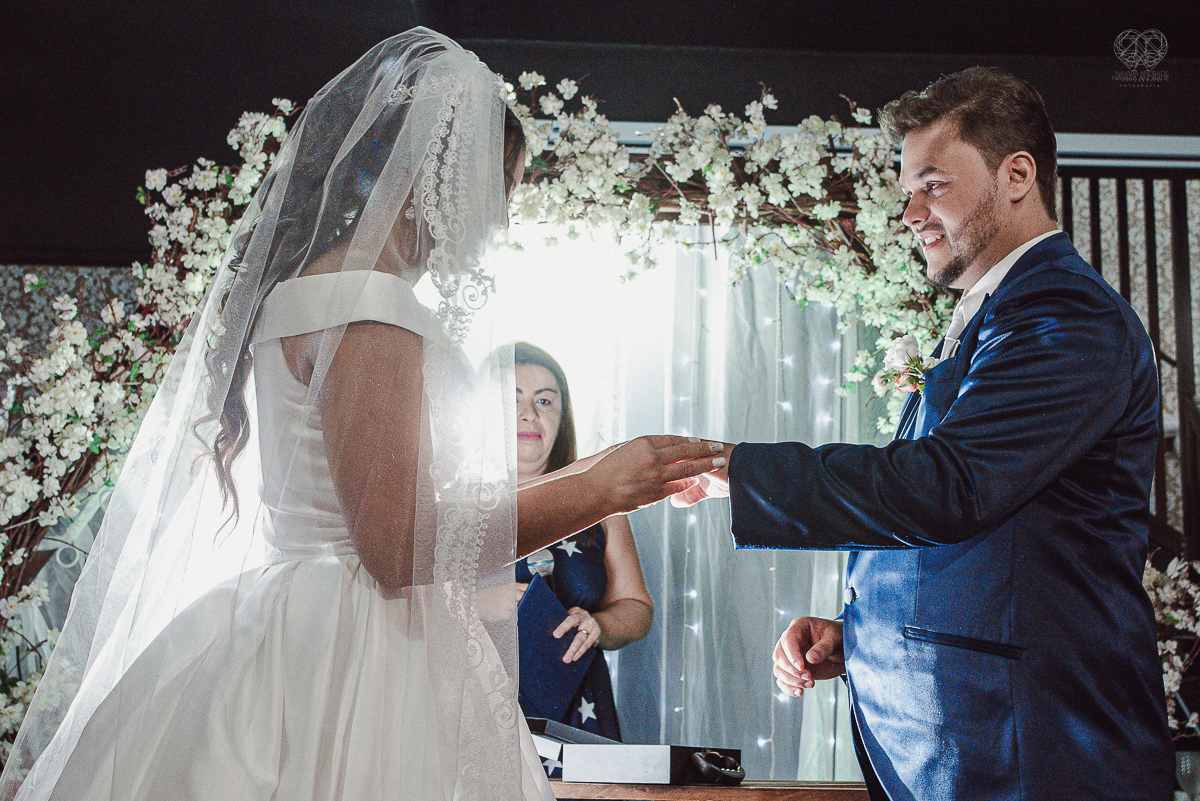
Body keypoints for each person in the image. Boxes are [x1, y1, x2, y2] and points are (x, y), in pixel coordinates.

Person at [0, 29, 724, 801]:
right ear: (441, 177)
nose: (502, 221)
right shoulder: (369, 302)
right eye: (502, 192)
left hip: (292, 623)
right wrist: (599, 491)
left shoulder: (312, 289)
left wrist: (605, 467)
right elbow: (393, 542)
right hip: (356, 647)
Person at [675, 67, 1174, 800]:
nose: (909, 212)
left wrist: (738, 467)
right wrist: (863, 634)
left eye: (932, 183)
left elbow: (950, 485)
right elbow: (1003, 544)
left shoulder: (1066, 315)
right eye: (907, 190)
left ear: (1017, 174)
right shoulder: (1002, 311)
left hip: (1038, 758)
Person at [511, 342, 653, 743]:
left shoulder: (601, 503)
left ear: (562, 415)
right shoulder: (450, 502)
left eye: (545, 400)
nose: (529, 413)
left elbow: (638, 608)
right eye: (512, 398)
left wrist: (598, 624)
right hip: (475, 699)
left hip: (579, 704)